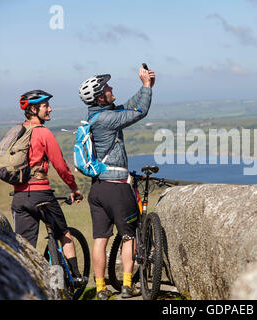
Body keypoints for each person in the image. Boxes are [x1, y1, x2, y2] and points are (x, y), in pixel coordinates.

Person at [78, 66, 155, 300]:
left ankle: (101, 289)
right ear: (100, 97)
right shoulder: (108, 120)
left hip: (98, 189)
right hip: (117, 188)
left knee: (100, 239)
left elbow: (130, 105)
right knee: (129, 236)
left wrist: (147, 87)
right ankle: (127, 286)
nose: (112, 89)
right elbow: (139, 111)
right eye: (107, 88)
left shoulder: (98, 117)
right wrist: (145, 87)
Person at [11, 90, 87, 287]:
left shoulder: (16, 133)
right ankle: (76, 276)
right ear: (34, 109)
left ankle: (23, 286)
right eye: (45, 106)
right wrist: (74, 188)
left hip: (19, 197)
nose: (50, 108)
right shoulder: (43, 133)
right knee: (64, 234)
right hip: (41, 194)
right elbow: (60, 165)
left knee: (24, 247)